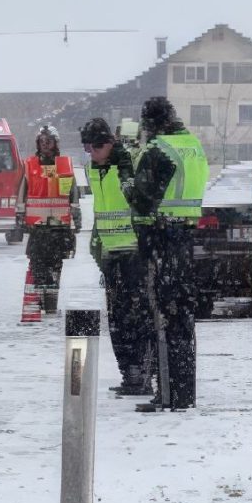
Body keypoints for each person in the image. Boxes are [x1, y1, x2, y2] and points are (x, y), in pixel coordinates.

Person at [125, 96, 214, 411]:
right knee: (182, 318)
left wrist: (127, 186)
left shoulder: (158, 150)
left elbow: (143, 199)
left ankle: (169, 394)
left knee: (164, 316)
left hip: (162, 237)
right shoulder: (193, 145)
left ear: (151, 123)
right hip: (185, 237)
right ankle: (183, 392)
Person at [75, 119, 152, 398]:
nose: (91, 152)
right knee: (118, 319)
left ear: (109, 142)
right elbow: (99, 211)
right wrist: (97, 246)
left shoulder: (129, 162)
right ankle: (130, 374)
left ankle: (143, 372)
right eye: (86, 147)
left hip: (133, 251)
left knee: (137, 317)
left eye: (95, 146)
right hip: (111, 253)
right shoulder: (92, 168)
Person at [16, 127, 79, 325]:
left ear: (56, 143)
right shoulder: (30, 165)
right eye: (42, 141)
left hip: (59, 227)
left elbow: (73, 195)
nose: (45, 145)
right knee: (37, 267)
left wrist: (76, 217)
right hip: (38, 228)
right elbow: (21, 194)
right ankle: (38, 302)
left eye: (49, 141)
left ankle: (51, 305)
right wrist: (19, 217)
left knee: (55, 268)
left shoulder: (65, 166)